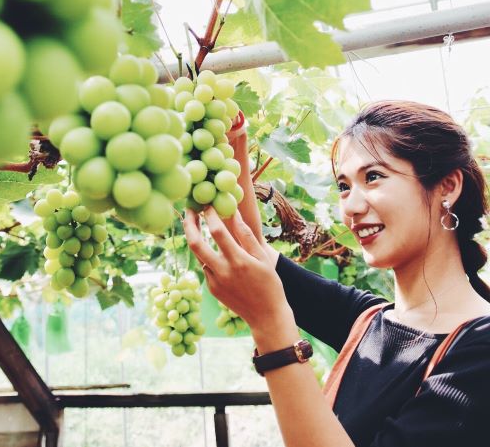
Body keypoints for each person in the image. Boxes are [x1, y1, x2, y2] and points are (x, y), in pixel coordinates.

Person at [183, 100, 490, 447]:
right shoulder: (367, 320)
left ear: (447, 187)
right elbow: (250, 249)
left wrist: (272, 329)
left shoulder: (481, 352)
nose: (351, 207)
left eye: (373, 177)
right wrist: (234, 144)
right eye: (344, 186)